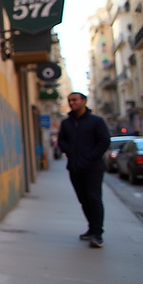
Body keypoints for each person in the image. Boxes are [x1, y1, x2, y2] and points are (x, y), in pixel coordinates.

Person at [57, 92, 111, 248]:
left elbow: (104, 141)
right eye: (69, 101)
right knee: (83, 200)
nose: (72, 103)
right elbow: (62, 141)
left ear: (84, 101)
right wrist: (69, 152)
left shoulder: (96, 121)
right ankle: (91, 228)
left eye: (74, 100)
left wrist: (92, 156)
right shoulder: (66, 123)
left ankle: (98, 233)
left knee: (94, 198)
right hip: (74, 168)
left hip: (93, 168)